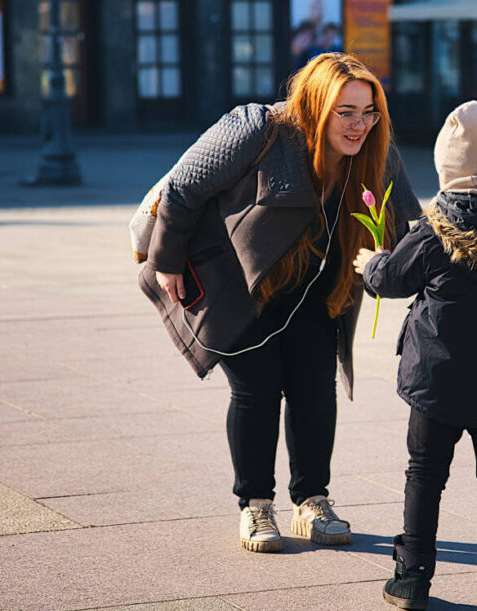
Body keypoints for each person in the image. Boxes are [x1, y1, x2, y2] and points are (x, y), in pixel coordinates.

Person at [138, 53, 420, 553]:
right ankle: (255, 506)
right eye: (347, 112)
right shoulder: (259, 128)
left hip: (319, 293)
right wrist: (167, 260)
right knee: (257, 391)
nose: (360, 125)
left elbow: (408, 225)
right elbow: (183, 187)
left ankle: (311, 501)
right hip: (243, 289)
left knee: (315, 390)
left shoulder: (378, 152)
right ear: (316, 106)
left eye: (369, 111)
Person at [353, 101, 477, 610]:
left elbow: (391, 279)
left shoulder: (436, 228)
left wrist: (371, 262)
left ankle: (412, 577)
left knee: (425, 472)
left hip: (437, 382)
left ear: (448, 168)